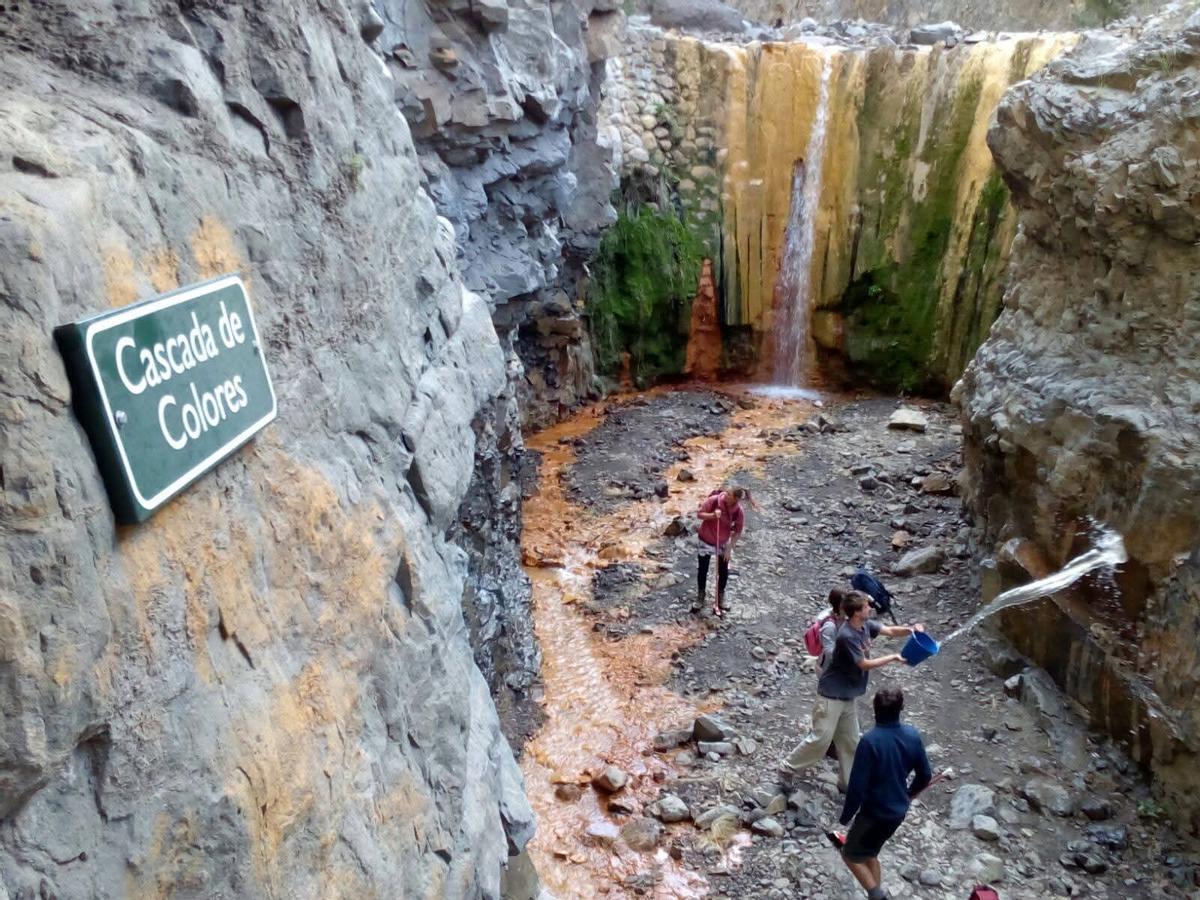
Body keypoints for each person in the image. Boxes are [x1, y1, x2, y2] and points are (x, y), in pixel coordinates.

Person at [780, 592, 923, 789]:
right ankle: (788, 767)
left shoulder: (865, 626)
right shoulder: (847, 636)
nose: (870, 608)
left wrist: (911, 630)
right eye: (866, 607)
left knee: (851, 741)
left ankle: (849, 783)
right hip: (831, 695)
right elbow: (863, 664)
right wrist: (893, 658)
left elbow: (889, 631)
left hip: (848, 695)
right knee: (821, 738)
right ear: (856, 612)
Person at [835, 687, 932, 900]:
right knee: (870, 853)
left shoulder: (870, 742)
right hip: (897, 813)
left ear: (874, 709)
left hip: (873, 814)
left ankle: (877, 896)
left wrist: (845, 817)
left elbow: (857, 787)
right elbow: (925, 775)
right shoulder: (912, 736)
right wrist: (908, 795)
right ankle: (875, 896)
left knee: (850, 854)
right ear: (901, 709)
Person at [694, 485, 748, 616]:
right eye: (726, 492)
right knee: (703, 569)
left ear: (735, 499)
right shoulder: (714, 500)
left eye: (729, 495)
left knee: (723, 571)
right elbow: (699, 514)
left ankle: (720, 597)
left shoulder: (738, 511)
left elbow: (738, 531)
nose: (725, 495)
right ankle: (701, 595)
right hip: (706, 539)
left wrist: (729, 548)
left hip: (723, 542)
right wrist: (713, 515)